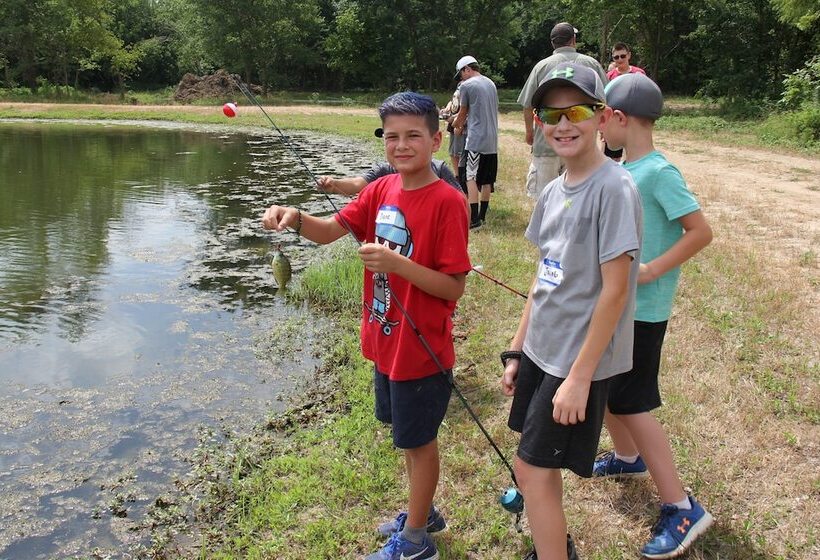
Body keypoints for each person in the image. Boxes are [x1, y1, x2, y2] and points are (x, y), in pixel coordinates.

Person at [262, 92, 471, 560]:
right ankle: (425, 512)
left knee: (420, 443)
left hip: (423, 351)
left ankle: (417, 542)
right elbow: (329, 231)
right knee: (405, 435)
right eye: (391, 136)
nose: (401, 145)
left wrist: (396, 263)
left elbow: (453, 288)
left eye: (413, 135)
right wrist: (292, 218)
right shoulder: (378, 191)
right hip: (387, 339)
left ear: (437, 140)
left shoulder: (448, 202)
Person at [501, 62, 642, 560]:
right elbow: (544, 274)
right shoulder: (554, 189)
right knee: (532, 468)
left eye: (577, 110)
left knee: (534, 469)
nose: (563, 124)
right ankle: (553, 545)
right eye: (550, 114)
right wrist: (518, 349)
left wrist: (580, 379)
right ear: (539, 122)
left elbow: (615, 292)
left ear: (602, 117)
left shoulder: (615, 189)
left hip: (577, 362)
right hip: (544, 350)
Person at [597, 72, 714, 559]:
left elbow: (700, 231)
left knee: (632, 402)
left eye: (603, 120)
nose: (600, 131)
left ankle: (683, 506)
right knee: (609, 390)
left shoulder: (658, 172)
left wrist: (651, 269)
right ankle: (627, 459)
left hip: (642, 311)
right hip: (617, 308)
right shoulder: (625, 170)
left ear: (621, 118)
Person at [517, 22, 607, 199]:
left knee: (544, 200)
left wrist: (530, 133)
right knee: (579, 200)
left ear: (552, 43)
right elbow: (606, 100)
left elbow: (528, 105)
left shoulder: (541, 67)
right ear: (573, 40)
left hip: (546, 143)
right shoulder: (592, 64)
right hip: (583, 145)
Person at [451, 55, 498, 229]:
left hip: (476, 139)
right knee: (486, 179)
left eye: (461, 74)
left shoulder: (467, 86)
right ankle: (483, 216)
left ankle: (474, 219)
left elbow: (462, 114)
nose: (461, 78)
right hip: (492, 140)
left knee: (469, 176)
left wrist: (454, 123)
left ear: (467, 69)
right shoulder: (491, 84)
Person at [317, 158, 461, 196]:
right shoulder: (384, 169)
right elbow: (357, 184)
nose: (400, 145)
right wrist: (334, 184)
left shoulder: (438, 168)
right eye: (391, 137)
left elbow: (460, 201)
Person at [603, 42, 647, 161]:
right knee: (613, 158)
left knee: (635, 155)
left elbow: (645, 96)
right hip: (615, 120)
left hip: (634, 119)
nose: (620, 59)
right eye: (616, 57)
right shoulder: (609, 76)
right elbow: (605, 101)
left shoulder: (639, 74)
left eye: (622, 56)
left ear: (629, 55)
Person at [439, 82, 466, 189]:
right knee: (452, 152)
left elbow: (466, 109)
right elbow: (453, 100)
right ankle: (457, 176)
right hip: (453, 124)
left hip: (460, 124)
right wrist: (447, 109)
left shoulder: (468, 90)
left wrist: (455, 118)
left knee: (459, 152)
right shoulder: (460, 86)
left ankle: (462, 177)